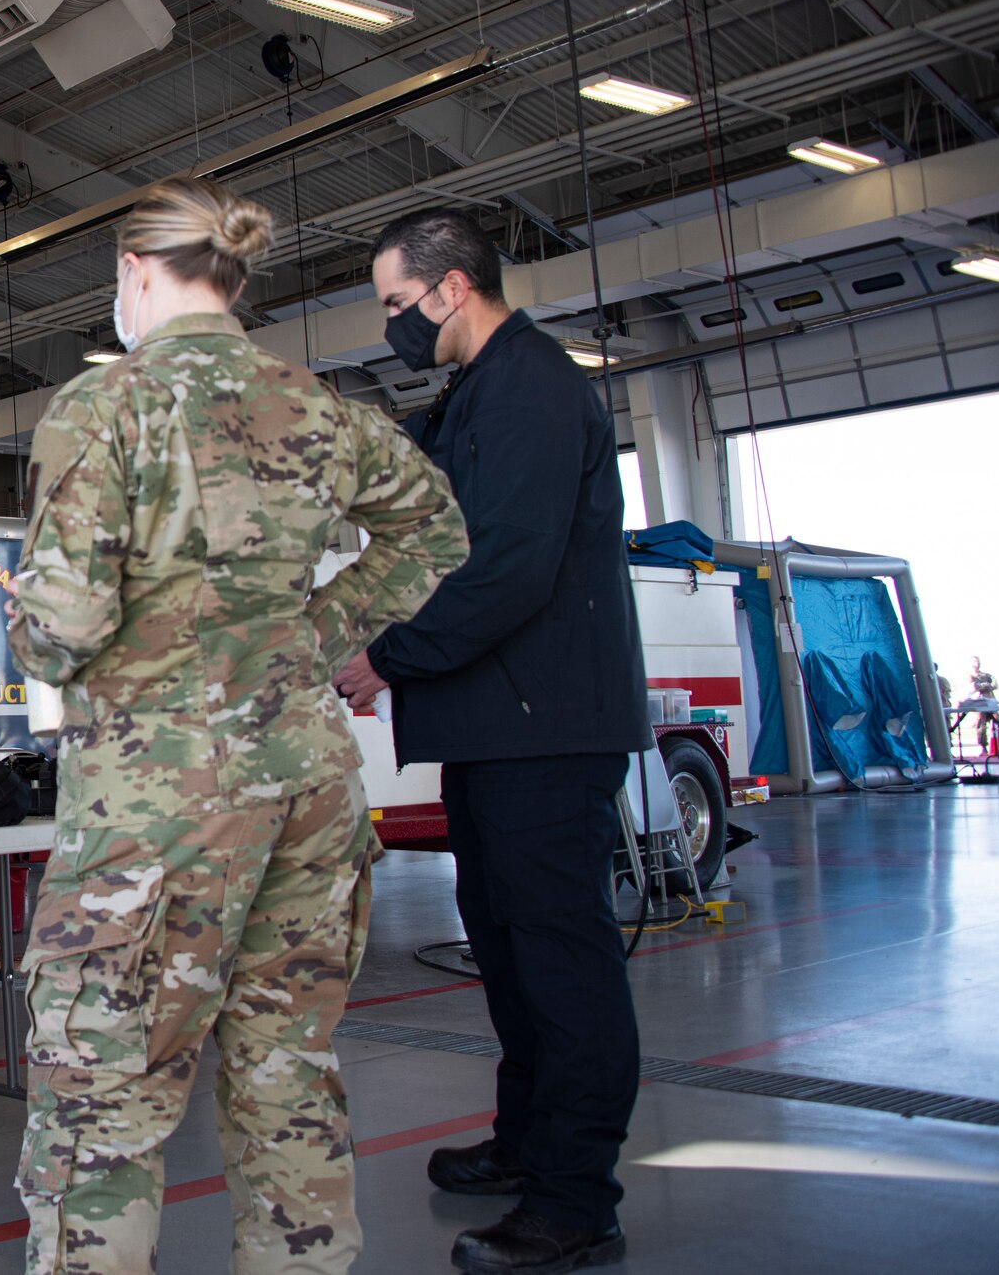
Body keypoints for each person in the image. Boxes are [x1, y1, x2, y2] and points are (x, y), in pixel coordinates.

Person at [9, 177, 469, 1274]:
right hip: (307, 783)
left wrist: (27, 628)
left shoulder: (103, 405)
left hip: (155, 810)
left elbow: (66, 621)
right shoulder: (314, 404)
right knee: (285, 1079)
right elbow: (434, 529)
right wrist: (314, 630)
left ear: (133, 272)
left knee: (99, 1104)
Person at [333, 208, 651, 1273]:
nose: (392, 326)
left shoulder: (530, 388)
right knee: (509, 953)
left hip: (543, 726)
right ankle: (527, 1144)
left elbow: (503, 566)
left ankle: (574, 1201)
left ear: (450, 287)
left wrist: (387, 656)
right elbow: (390, 497)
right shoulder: (470, 394)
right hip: (494, 726)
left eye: (394, 304)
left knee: (560, 963)